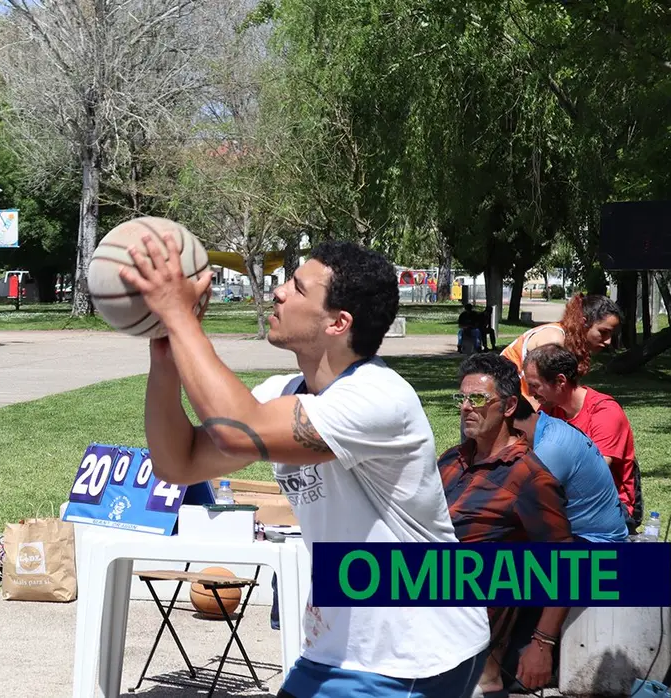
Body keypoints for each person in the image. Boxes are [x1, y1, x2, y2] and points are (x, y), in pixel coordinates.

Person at [123, 237, 490, 698]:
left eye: (297, 288)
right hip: (335, 650)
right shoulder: (284, 391)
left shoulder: (378, 397)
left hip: (411, 652)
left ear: (338, 323)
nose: (279, 292)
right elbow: (179, 463)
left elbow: (241, 431)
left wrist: (180, 317)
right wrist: (165, 355)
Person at [438, 353, 574, 698]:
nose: (467, 407)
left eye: (479, 399)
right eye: (462, 398)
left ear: (510, 406)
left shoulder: (530, 478)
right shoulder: (452, 460)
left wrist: (542, 643)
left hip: (476, 644)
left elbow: (566, 565)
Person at [522, 343, 640, 530]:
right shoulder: (549, 410)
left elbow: (593, 473)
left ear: (560, 381)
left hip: (611, 508)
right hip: (566, 498)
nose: (529, 393)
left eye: (534, 385)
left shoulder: (605, 412)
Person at [500, 293, 622, 407]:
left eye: (611, 334)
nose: (608, 341)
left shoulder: (571, 343)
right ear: (583, 323)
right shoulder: (554, 339)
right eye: (603, 332)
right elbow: (539, 398)